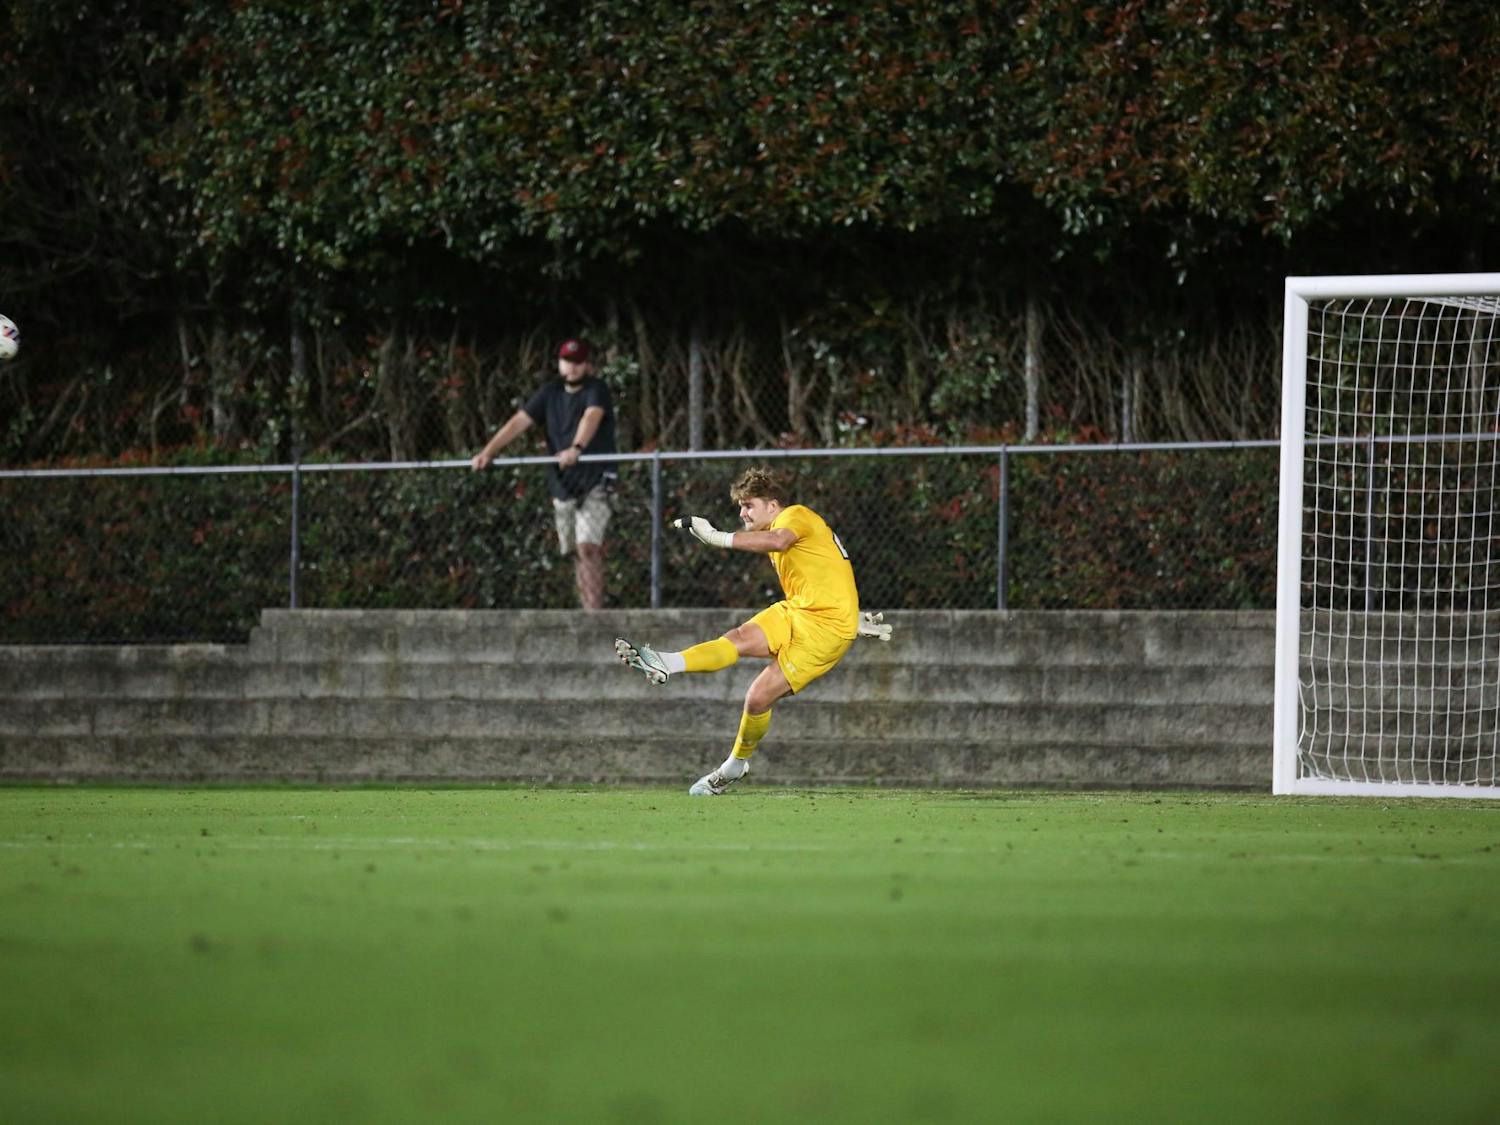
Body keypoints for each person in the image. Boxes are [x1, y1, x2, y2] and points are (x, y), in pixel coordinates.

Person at [615, 466, 890, 796]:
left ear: (773, 505)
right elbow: (829, 566)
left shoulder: (794, 516)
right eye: (741, 506)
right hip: (799, 610)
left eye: (749, 505)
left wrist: (717, 537)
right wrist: (852, 611)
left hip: (826, 630)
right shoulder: (788, 527)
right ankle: (664, 662)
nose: (742, 513)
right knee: (737, 638)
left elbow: (778, 540)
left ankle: (733, 766)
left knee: (757, 698)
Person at [471, 338, 617, 610]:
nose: (571, 368)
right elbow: (519, 422)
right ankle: (587, 608)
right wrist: (489, 451)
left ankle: (595, 613)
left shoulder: (597, 389)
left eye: (577, 362)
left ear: (587, 365)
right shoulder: (550, 392)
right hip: (563, 483)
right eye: (566, 361)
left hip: (594, 478)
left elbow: (592, 416)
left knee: (588, 546)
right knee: (574, 549)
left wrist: (576, 447)